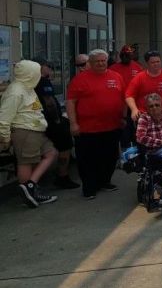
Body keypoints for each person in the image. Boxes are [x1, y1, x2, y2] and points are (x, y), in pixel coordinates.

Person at [66, 50, 127, 199]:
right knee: (87, 160)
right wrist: (73, 123)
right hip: (87, 129)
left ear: (107, 61)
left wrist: (124, 117)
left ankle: (104, 181)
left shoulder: (116, 77)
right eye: (97, 61)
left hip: (112, 126)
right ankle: (89, 187)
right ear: (90, 63)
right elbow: (70, 102)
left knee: (110, 157)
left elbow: (124, 98)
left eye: (103, 60)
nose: (100, 63)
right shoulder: (79, 80)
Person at [0, 60, 59, 208]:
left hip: (36, 130)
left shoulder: (28, 87)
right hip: (24, 131)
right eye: (37, 72)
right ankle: (28, 193)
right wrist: (5, 138)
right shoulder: (15, 92)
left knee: (51, 152)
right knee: (25, 162)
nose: (40, 75)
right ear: (29, 73)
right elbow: (4, 117)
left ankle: (30, 186)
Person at [30, 57, 79, 189]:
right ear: (40, 67)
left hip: (36, 121)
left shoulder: (30, 81)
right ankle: (62, 176)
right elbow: (49, 102)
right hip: (49, 121)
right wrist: (57, 120)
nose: (51, 69)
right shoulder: (42, 81)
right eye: (49, 66)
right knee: (65, 144)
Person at [125, 51, 162, 121]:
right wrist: (134, 109)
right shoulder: (139, 77)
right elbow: (129, 96)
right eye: (153, 62)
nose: (156, 64)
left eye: (158, 62)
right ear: (147, 64)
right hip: (145, 116)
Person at [110, 45, 144, 147]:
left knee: (135, 128)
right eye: (124, 55)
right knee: (122, 129)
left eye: (128, 55)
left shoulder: (138, 67)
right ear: (121, 55)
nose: (126, 57)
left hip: (134, 104)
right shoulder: (113, 68)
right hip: (118, 104)